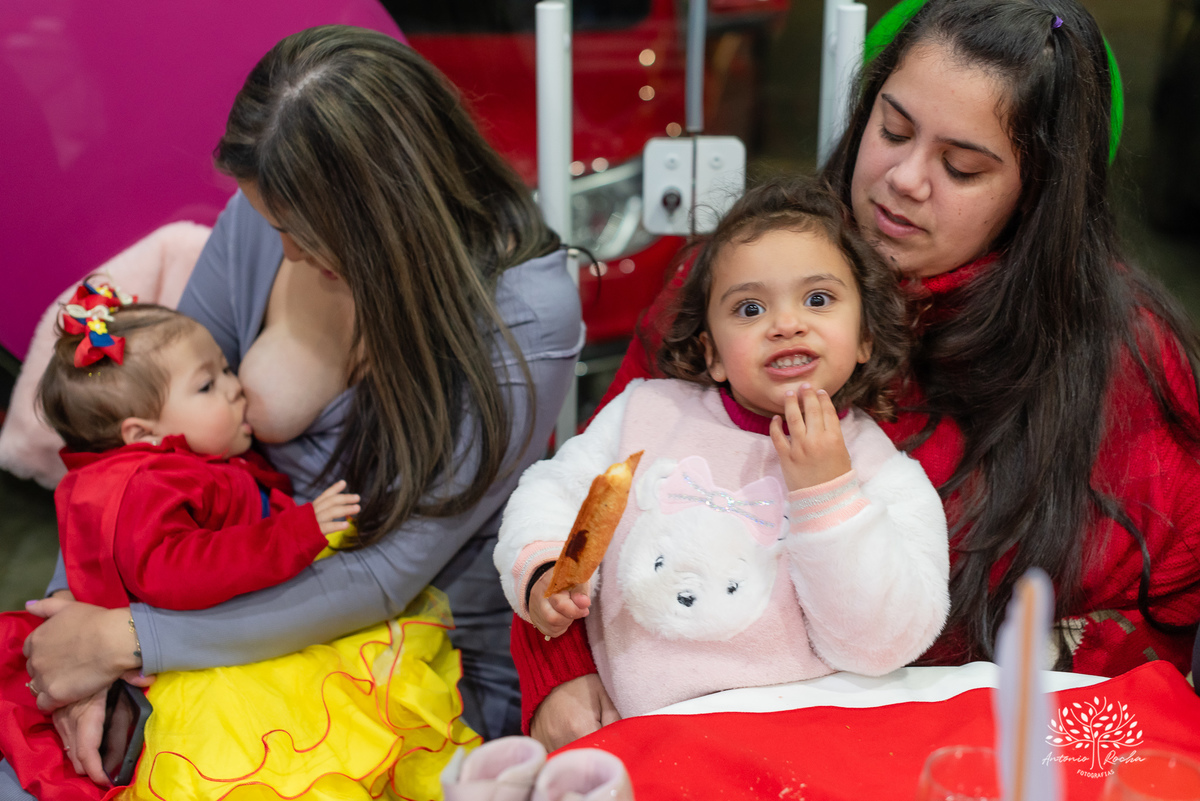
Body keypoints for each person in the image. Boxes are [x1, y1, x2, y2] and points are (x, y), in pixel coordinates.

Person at [510, 0, 1200, 749]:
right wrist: (558, 669)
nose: (903, 179)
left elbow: (1149, 660)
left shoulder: (1121, 364)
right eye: (893, 130)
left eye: (961, 167)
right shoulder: (747, 279)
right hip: (674, 736)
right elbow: (586, 496)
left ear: (1039, 198)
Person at [13, 24, 583, 796]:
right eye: (270, 222)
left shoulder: (524, 313)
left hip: (408, 651)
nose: (279, 249)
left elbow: (382, 572)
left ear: (389, 219)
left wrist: (126, 639)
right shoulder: (264, 218)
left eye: (298, 231)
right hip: (207, 613)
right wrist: (76, 632)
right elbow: (128, 451)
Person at [495, 177, 949, 718]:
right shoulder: (645, 414)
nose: (785, 324)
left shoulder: (884, 474)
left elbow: (882, 645)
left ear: (865, 338)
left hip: (793, 740)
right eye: (750, 309)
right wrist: (546, 564)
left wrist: (829, 497)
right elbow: (553, 490)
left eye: (818, 299)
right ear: (711, 353)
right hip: (642, 733)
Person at [0, 289, 473, 800]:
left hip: (204, 644)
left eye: (226, 369)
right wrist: (299, 531)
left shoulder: (172, 468)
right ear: (144, 433)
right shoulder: (151, 484)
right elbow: (185, 572)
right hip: (197, 669)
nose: (235, 388)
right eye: (208, 384)